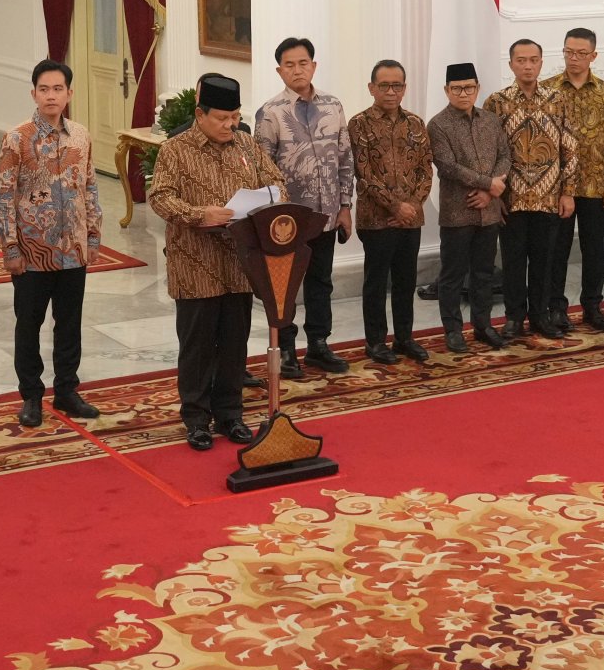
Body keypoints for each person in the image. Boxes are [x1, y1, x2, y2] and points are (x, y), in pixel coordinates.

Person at [148, 73, 286, 450]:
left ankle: (230, 414)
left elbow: (277, 182)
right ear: (200, 113)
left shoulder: (246, 144)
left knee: (233, 344)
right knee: (197, 345)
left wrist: (268, 200)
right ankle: (196, 418)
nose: (230, 125)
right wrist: (198, 215)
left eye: (235, 117)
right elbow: (159, 197)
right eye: (222, 118)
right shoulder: (176, 150)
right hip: (196, 263)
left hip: (240, 265)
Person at [0, 59, 103, 427]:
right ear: (33, 93)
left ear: (69, 93)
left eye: (58, 89)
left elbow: (89, 186)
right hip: (32, 252)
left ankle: (67, 390)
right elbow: (5, 196)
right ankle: (31, 395)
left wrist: (93, 235)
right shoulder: (17, 138)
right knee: (29, 324)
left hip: (73, 250)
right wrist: (10, 248)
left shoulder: (82, 136)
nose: (51, 95)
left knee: (69, 323)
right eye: (44, 89)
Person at [253, 38, 354, 376]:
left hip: (325, 215)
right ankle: (285, 349)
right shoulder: (271, 113)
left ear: (314, 65)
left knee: (321, 281)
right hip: (288, 218)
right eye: (290, 65)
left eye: (303, 63)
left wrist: (345, 206)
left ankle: (319, 344)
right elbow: (261, 168)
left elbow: (344, 159)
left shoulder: (333, 106)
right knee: (286, 285)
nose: (298, 70)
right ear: (280, 70)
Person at [490, 39, 578, 338]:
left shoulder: (559, 99)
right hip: (511, 198)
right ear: (511, 64)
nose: (527, 66)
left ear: (541, 62)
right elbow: (489, 152)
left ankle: (541, 316)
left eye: (533, 60)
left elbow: (570, 148)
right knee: (513, 260)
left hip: (549, 196)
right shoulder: (497, 102)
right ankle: (514, 317)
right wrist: (496, 195)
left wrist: (567, 191)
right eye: (521, 60)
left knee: (545, 260)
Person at [347, 60, 433, 364]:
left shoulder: (416, 123)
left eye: (397, 85)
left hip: (411, 219)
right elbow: (364, 173)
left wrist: (412, 206)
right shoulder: (358, 124)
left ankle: (404, 338)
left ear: (405, 88)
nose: (391, 91)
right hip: (376, 218)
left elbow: (426, 171)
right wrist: (396, 206)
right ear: (371, 88)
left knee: (406, 280)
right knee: (376, 281)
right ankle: (375, 341)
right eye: (384, 85)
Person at [546, 27, 604, 332]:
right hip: (557, 189)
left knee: (594, 249)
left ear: (593, 55)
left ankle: (592, 306)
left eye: (581, 53)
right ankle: (556, 306)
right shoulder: (549, 90)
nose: (574, 58)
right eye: (569, 51)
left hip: (596, 187)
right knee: (558, 250)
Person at [427, 63, 508, 351]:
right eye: (457, 88)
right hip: (458, 211)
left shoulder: (491, 120)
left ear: (477, 88)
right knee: (452, 274)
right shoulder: (437, 125)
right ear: (447, 91)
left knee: (484, 272)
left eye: (469, 88)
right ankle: (452, 330)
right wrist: (490, 184)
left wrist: (490, 191)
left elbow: (504, 156)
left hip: (488, 210)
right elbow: (448, 166)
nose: (464, 93)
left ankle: (483, 325)